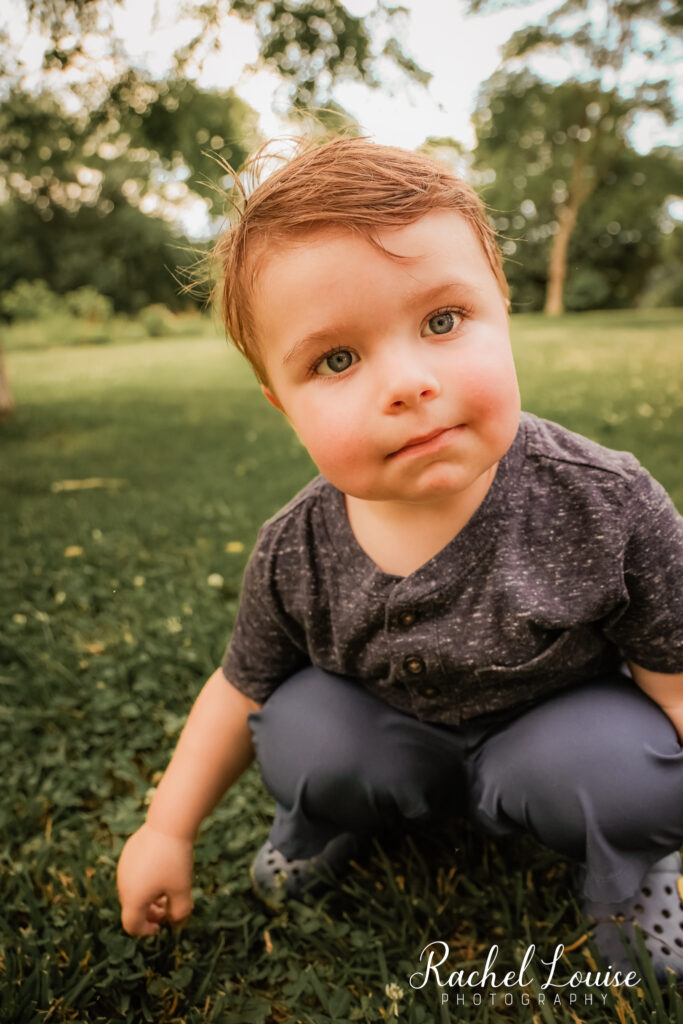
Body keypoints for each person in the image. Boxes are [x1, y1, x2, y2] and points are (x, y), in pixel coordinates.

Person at [116, 137, 683, 984]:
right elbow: (238, 689)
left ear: (502, 307)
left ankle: (630, 870)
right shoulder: (296, 546)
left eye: (442, 321)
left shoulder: (605, 502)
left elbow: (674, 674)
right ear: (282, 402)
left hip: (556, 736)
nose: (408, 382)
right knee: (300, 735)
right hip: (382, 737)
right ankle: (339, 822)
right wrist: (166, 829)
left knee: (625, 773)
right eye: (336, 359)